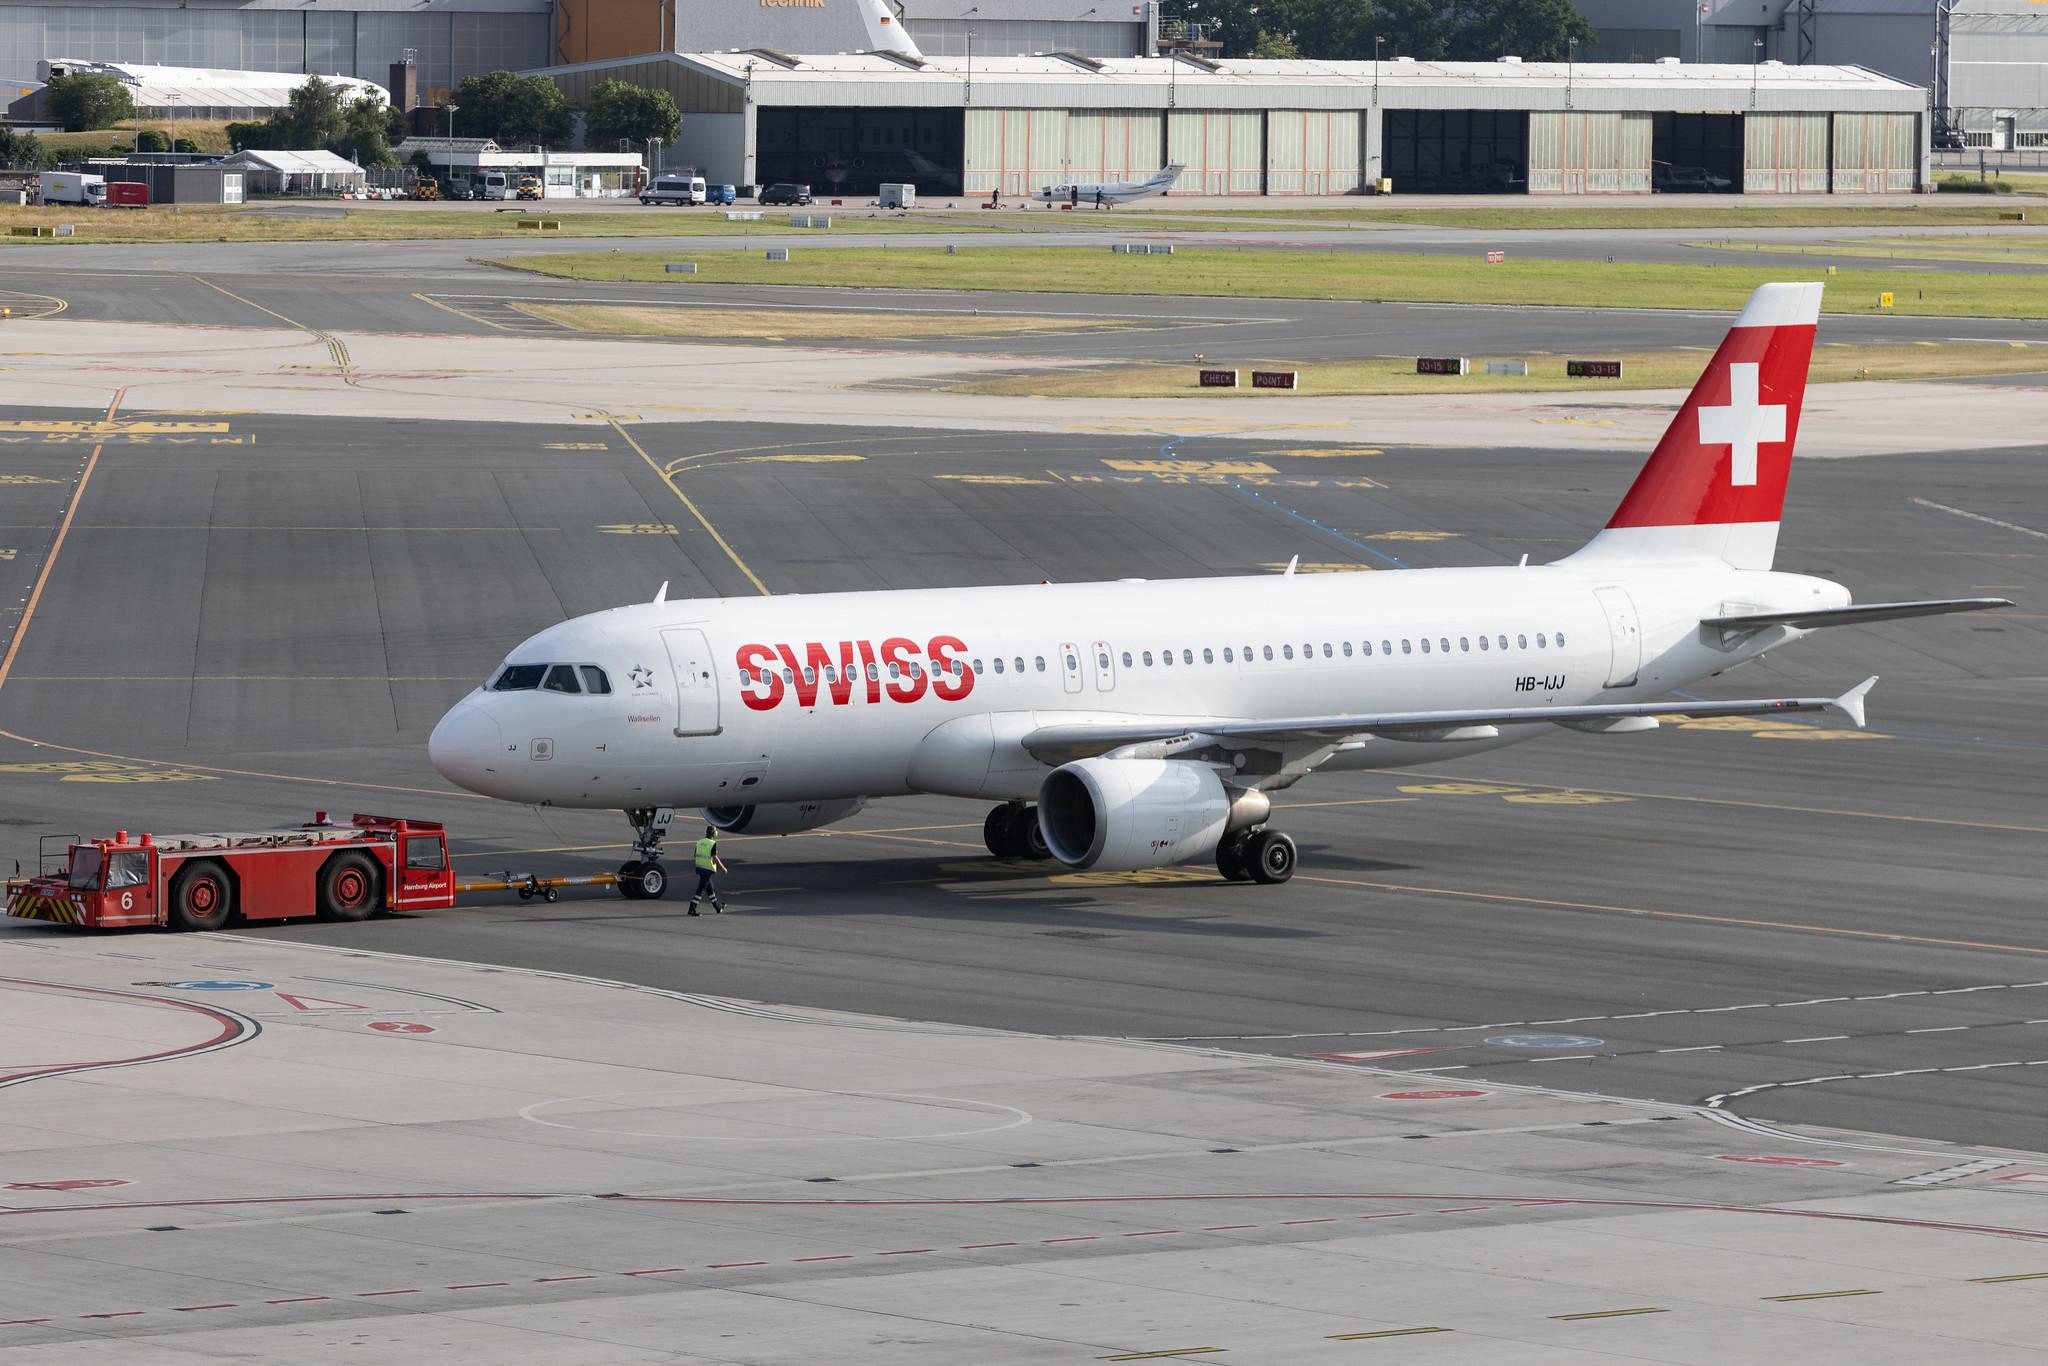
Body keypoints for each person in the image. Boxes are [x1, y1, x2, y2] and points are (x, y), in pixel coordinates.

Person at [688, 826, 728, 916]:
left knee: (710, 889)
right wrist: (723, 868)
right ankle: (692, 909)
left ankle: (718, 907)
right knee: (700, 889)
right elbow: (715, 858)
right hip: (707, 869)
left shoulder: (699, 842)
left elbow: (695, 855)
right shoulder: (712, 843)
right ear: (714, 833)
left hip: (700, 867)